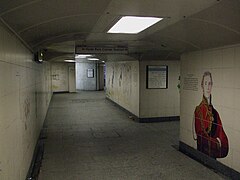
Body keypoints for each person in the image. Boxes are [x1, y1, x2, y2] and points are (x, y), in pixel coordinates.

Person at [194, 71, 229, 159]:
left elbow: (221, 132)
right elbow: (200, 134)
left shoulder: (215, 112)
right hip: (203, 151)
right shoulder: (198, 110)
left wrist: (222, 143)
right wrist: (216, 143)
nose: (208, 86)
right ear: (202, 85)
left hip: (213, 153)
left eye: (210, 83)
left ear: (212, 85)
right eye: (206, 83)